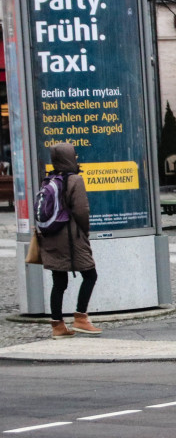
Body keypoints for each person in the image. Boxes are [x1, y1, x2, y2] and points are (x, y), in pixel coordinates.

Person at [40, 143, 101, 338]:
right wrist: (84, 231)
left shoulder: (49, 179)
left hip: (51, 236)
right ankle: (81, 318)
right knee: (90, 275)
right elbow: (81, 210)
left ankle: (57, 326)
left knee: (59, 282)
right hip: (71, 237)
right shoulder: (75, 180)